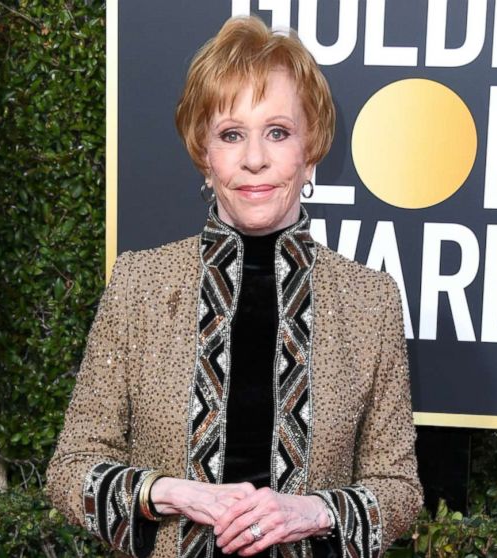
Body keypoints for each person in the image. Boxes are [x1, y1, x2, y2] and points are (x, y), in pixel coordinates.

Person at [46, 15, 422, 558]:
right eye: (231, 135)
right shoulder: (139, 284)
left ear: (310, 149)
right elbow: (71, 469)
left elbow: (400, 489)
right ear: (204, 155)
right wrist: (170, 494)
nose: (254, 159)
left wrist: (311, 512)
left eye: (278, 132)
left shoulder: (370, 300)